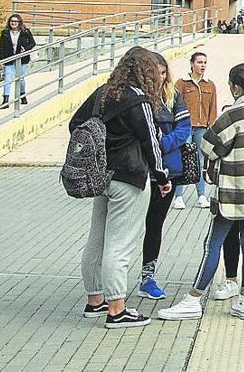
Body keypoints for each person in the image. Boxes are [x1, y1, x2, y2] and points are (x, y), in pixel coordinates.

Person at [158, 63, 244, 322]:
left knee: (213, 244)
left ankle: (194, 298)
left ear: (235, 87)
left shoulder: (232, 114)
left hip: (231, 192)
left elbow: (209, 147)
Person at [71, 46, 170, 329]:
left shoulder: (104, 93)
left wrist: (99, 146)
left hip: (101, 176)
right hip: (130, 177)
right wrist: (162, 177)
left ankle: (95, 301)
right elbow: (152, 142)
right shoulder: (138, 99)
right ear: (145, 71)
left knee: (97, 240)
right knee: (120, 243)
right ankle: (117, 309)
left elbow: (76, 124)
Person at [138, 52, 192, 300]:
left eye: (163, 73)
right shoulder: (138, 98)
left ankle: (147, 277)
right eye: (155, 73)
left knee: (155, 224)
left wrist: (162, 143)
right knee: (131, 226)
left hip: (168, 171)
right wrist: (151, 145)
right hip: (141, 172)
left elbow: (184, 129)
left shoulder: (173, 97)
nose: (159, 78)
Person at [173, 52, 216, 209]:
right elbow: (175, 105)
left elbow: (213, 108)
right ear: (192, 64)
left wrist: (210, 126)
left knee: (200, 161)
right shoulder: (182, 83)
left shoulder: (209, 85)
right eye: (199, 62)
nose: (202, 65)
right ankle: (178, 196)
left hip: (202, 127)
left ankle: (201, 195)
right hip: (185, 127)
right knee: (183, 159)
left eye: (205, 62)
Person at [0, 12, 35, 108]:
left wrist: (25, 49)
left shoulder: (25, 32)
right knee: (8, 79)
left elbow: (32, 43)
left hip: (22, 59)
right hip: (9, 58)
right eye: (11, 21)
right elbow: (1, 47)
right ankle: (5, 100)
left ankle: (22, 95)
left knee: (20, 78)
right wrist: (1, 60)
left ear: (19, 22)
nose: (13, 23)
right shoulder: (5, 33)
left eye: (15, 21)